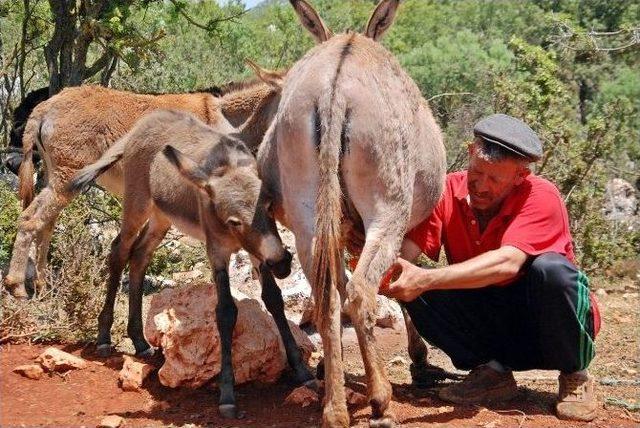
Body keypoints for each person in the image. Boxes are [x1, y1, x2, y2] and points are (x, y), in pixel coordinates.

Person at [380, 113, 600, 422]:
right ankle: (493, 372)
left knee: (551, 271)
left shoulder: (541, 195)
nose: (481, 186)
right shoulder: (446, 191)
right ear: (470, 152)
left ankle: (575, 373)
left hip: (546, 326)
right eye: (476, 172)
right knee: (415, 289)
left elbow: (508, 263)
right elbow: (407, 252)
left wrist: (426, 277)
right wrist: (379, 267)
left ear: (520, 176)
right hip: (495, 318)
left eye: (495, 179)